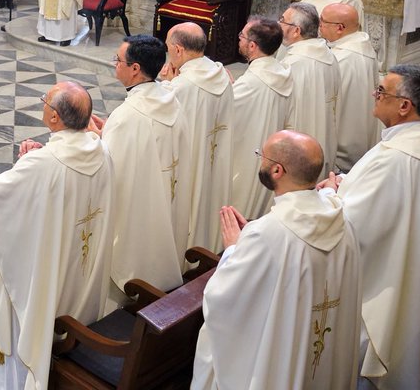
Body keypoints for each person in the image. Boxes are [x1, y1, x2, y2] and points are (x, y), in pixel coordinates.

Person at [319, 65, 420, 389]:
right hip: (405, 264)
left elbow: (350, 225)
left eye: (381, 91)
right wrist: (350, 183)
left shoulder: (394, 157)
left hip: (375, 279)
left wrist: (329, 192)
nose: (374, 95)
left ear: (404, 106)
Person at [192, 130, 361, 390]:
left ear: (277, 171)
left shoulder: (267, 232)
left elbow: (222, 299)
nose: (260, 160)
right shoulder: (341, 220)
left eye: (262, 156)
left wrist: (233, 250)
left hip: (282, 359)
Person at [0, 82, 114, 390]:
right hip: (81, 273)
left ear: (55, 118)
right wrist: (36, 161)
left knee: (25, 334)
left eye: (45, 101)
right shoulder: (102, 150)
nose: (43, 104)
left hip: (42, 277)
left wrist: (27, 163)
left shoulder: (42, 164)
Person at [89, 36, 184, 310]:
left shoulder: (128, 114)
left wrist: (97, 137)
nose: (114, 65)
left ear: (135, 69)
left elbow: (109, 166)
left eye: (118, 60)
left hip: (138, 203)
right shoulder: (169, 98)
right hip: (167, 190)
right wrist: (107, 130)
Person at [163, 22, 234, 254]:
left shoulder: (181, 86)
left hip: (189, 160)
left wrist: (166, 85)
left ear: (178, 50)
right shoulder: (220, 73)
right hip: (215, 156)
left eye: (168, 47)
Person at [230, 17, 293, 220]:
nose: (239, 39)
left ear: (252, 45)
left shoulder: (251, 82)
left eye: (242, 36)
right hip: (271, 154)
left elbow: (222, 113)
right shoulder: (283, 73)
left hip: (247, 156)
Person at [279, 2, 339, 174]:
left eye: (283, 21)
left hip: (299, 142)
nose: (278, 24)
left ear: (297, 31)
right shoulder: (328, 55)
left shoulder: (293, 64)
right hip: (323, 137)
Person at [321, 3, 379, 171]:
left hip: (342, 143)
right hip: (363, 133)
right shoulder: (364, 47)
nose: (320, 26)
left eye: (323, 22)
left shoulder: (340, 59)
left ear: (339, 28)